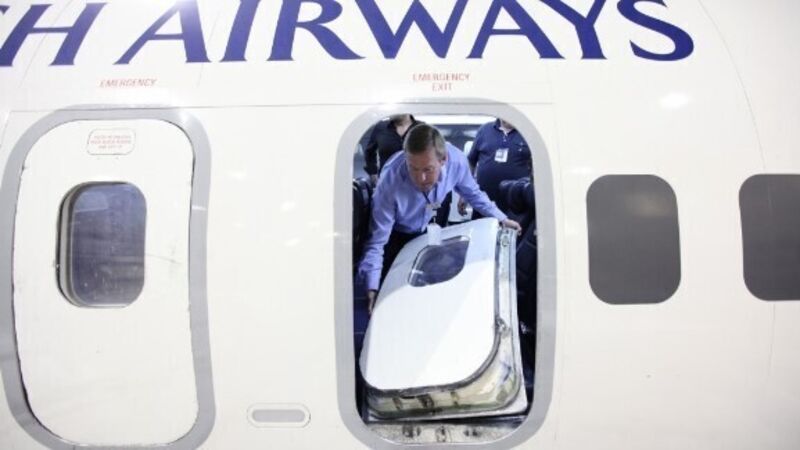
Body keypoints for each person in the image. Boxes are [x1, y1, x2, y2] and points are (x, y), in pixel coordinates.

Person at [358, 124, 522, 313]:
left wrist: (502, 219)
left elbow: (474, 195)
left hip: (431, 221)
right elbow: (377, 242)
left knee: (429, 284)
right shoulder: (390, 181)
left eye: (428, 169)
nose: (420, 178)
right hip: (396, 232)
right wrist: (372, 286)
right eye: (413, 169)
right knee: (392, 293)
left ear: (443, 160)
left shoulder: (456, 162)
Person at [461, 118, 532, 218]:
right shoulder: (485, 130)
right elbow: (471, 162)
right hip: (484, 202)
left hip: (516, 204)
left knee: (514, 227)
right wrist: (464, 193)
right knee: (482, 227)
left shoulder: (528, 132)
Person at [363, 114, 421, 186]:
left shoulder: (421, 128)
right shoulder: (381, 128)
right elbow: (369, 152)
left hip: (415, 185)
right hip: (387, 184)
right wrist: (373, 174)